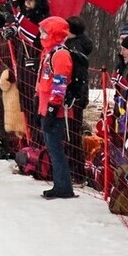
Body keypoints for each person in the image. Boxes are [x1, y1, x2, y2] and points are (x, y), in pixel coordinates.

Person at [37, 16, 76, 200]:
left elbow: (60, 83)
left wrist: (53, 108)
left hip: (55, 110)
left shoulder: (60, 54)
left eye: (45, 32)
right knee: (52, 148)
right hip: (46, 107)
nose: (41, 36)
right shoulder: (48, 52)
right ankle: (59, 183)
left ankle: (63, 186)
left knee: (56, 148)